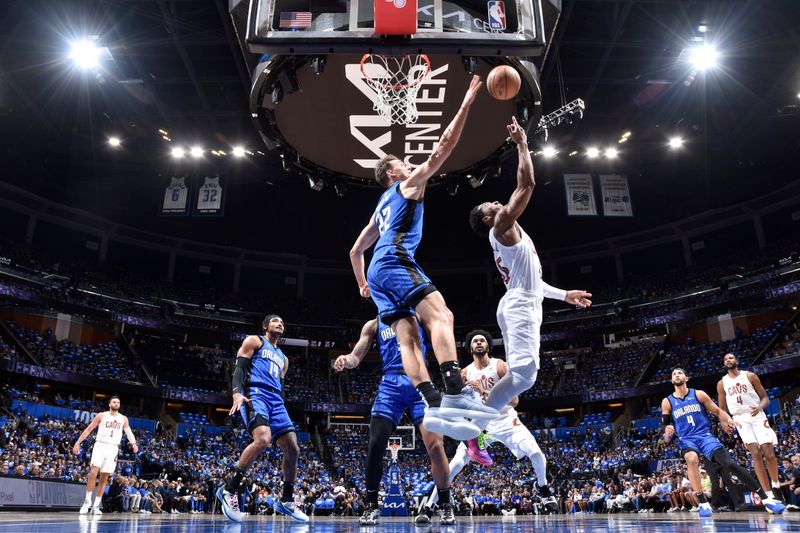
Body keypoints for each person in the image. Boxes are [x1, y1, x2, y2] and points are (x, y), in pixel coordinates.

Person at [349, 75, 498, 441]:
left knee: (408, 340)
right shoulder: (406, 184)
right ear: (391, 172)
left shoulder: (380, 207)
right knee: (441, 315)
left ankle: (431, 398)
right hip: (396, 261)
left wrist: (364, 284)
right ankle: (454, 389)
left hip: (380, 272)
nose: (407, 163)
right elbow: (442, 147)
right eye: (401, 162)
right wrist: (467, 101)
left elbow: (355, 251)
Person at [467, 116, 592, 414]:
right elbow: (527, 184)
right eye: (491, 205)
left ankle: (476, 426)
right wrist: (522, 144)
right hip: (520, 305)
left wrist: (564, 295)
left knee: (520, 377)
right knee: (524, 377)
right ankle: (475, 426)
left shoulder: (508, 232)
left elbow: (532, 283)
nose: (497, 202)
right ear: (488, 218)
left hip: (520, 299)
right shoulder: (499, 226)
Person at [422, 330, 557, 518]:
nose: (478, 342)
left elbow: (514, 400)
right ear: (470, 348)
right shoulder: (464, 373)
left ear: (488, 346)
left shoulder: (499, 366)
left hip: (505, 420)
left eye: (482, 340)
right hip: (480, 425)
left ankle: (542, 487)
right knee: (454, 466)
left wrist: (485, 393)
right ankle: (428, 507)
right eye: (475, 341)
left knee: (535, 453)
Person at [334, 318, 456, 525]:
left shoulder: (418, 315)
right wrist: (346, 360)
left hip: (420, 380)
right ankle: (371, 505)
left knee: (436, 445)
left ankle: (445, 504)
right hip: (391, 383)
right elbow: (356, 357)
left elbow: (440, 338)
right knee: (376, 444)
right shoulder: (373, 325)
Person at [216, 315, 308, 523]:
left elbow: (281, 387)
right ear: (266, 326)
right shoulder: (255, 341)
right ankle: (229, 489)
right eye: (276, 321)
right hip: (255, 394)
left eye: (283, 322)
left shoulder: (283, 358)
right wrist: (237, 393)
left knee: (293, 448)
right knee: (263, 439)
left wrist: (281, 407)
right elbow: (239, 367)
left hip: (276, 401)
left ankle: (285, 499)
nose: (280, 324)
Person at [662, 368, 785, 516]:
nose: (677, 375)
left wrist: (728, 419)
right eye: (674, 374)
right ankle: (703, 503)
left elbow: (718, 411)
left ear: (686, 378)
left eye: (680, 373)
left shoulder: (698, 394)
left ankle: (767, 500)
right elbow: (666, 433)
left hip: (705, 436)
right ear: (671, 380)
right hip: (687, 438)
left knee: (730, 464)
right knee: (691, 458)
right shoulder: (667, 401)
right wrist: (667, 432)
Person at [717, 352, 783, 501]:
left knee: (769, 453)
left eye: (731, 357)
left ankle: (776, 485)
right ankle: (769, 494)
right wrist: (724, 422)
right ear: (724, 363)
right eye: (726, 358)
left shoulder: (750, 376)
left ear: (737, 361)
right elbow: (722, 409)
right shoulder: (722, 383)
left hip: (757, 415)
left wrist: (760, 407)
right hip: (740, 419)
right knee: (756, 453)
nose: (728, 360)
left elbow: (765, 398)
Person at [72, 396, 138, 515]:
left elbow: (129, 432)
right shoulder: (101, 415)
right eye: (114, 401)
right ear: (109, 404)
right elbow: (88, 429)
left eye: (118, 402)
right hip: (100, 445)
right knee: (93, 473)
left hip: (113, 448)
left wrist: (134, 443)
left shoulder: (123, 418)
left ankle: (96, 506)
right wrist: (78, 442)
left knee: (104, 478)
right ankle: (87, 502)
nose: (116, 403)